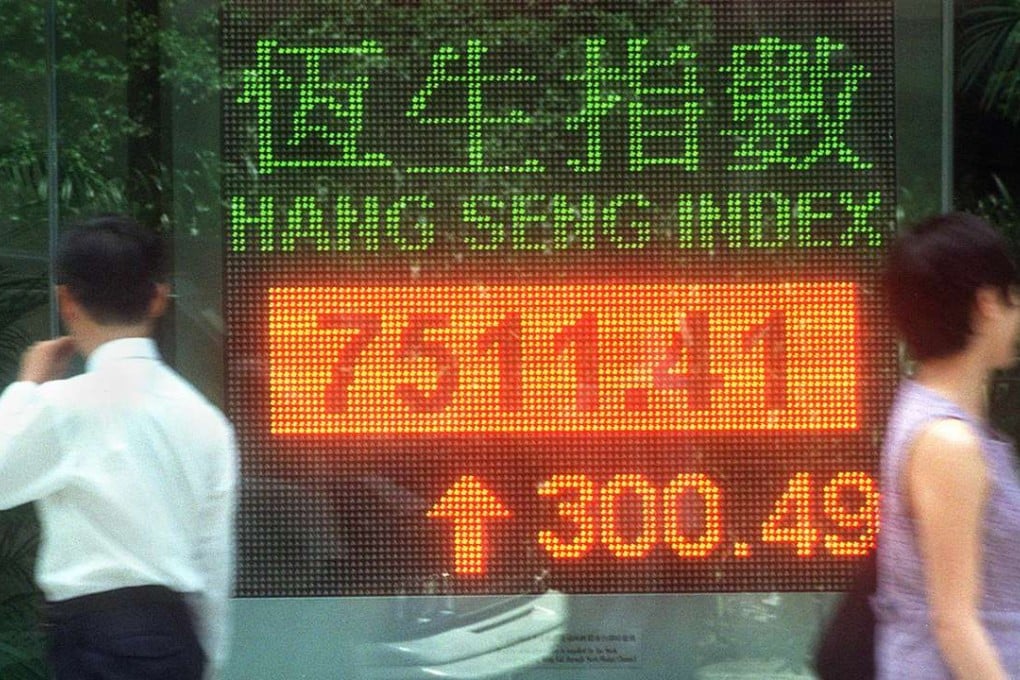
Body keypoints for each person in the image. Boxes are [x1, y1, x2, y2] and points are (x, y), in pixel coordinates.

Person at [0, 215, 237, 679]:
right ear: (158, 297)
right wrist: (203, 660)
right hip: (176, 639)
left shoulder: (64, 406)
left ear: (66, 299)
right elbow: (213, 564)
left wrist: (26, 386)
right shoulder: (204, 420)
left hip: (94, 639)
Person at [875, 211, 1020, 678]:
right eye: (1012, 297)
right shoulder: (947, 443)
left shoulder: (933, 415)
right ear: (986, 304)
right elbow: (954, 624)